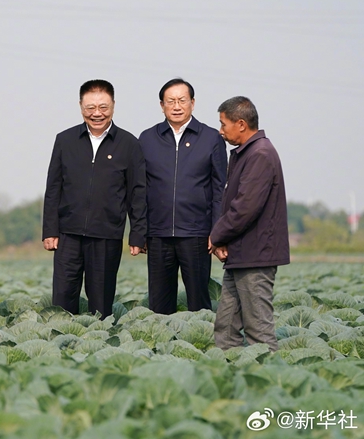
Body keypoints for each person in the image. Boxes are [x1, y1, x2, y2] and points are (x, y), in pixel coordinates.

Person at [43, 80, 146, 319]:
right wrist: (50, 230)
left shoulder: (129, 144)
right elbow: (53, 188)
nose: (97, 113)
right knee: (62, 298)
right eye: (90, 107)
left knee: (101, 303)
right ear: (81, 106)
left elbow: (137, 193)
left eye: (103, 107)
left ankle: (100, 339)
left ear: (113, 106)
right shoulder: (65, 140)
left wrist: (138, 234)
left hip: (107, 235)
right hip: (68, 234)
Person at [138, 78, 227, 314]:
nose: (176, 106)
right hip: (158, 234)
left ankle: (202, 337)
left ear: (192, 103)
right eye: (170, 101)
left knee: (199, 303)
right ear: (162, 105)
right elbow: (139, 189)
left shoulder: (211, 138)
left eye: (182, 100)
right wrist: (141, 230)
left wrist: (217, 230)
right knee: (159, 305)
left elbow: (220, 189)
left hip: (197, 234)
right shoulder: (147, 139)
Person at [209, 96, 289, 352]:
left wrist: (216, 235)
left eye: (224, 124)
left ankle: (269, 374)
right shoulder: (248, 153)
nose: (221, 131)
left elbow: (245, 208)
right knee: (226, 326)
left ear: (241, 124)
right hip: (242, 254)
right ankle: (231, 371)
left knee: (258, 330)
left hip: (256, 256)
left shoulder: (260, 154)